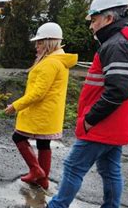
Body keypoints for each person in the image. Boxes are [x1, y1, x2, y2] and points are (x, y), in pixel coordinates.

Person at [24, 0, 128, 208]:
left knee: (74, 166)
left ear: (109, 18)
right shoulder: (127, 42)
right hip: (118, 124)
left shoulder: (116, 45)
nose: (91, 25)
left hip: (103, 125)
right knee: (111, 169)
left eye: (94, 19)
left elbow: (118, 90)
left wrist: (90, 118)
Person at [5, 22, 78, 190]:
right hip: (49, 113)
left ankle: (36, 170)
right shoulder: (59, 61)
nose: (36, 46)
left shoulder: (50, 63)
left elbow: (38, 93)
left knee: (18, 137)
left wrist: (16, 106)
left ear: (48, 42)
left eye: (39, 42)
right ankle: (42, 181)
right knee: (43, 144)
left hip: (40, 113)